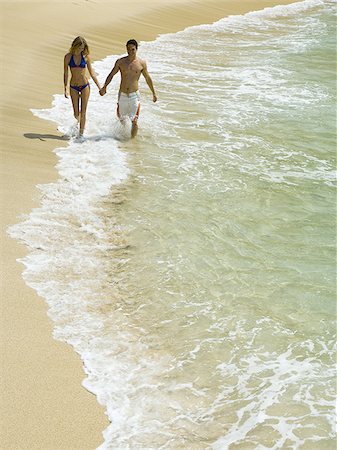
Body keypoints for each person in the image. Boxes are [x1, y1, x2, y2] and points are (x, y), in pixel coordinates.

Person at [99, 39, 157, 138]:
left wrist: (154, 93)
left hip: (134, 95)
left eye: (132, 49)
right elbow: (111, 74)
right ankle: (123, 138)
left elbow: (147, 78)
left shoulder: (141, 63)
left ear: (136, 49)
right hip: (122, 95)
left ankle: (131, 142)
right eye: (128, 49)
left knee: (134, 121)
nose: (130, 52)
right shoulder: (120, 62)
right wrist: (104, 87)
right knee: (122, 119)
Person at [64, 36, 101, 136]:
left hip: (84, 86)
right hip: (73, 87)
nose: (81, 50)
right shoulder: (68, 57)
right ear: (74, 46)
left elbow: (92, 72)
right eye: (79, 48)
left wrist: (99, 87)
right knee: (76, 113)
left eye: (82, 48)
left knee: (83, 111)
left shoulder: (85, 57)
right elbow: (66, 73)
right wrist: (65, 88)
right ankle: (79, 124)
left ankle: (81, 135)